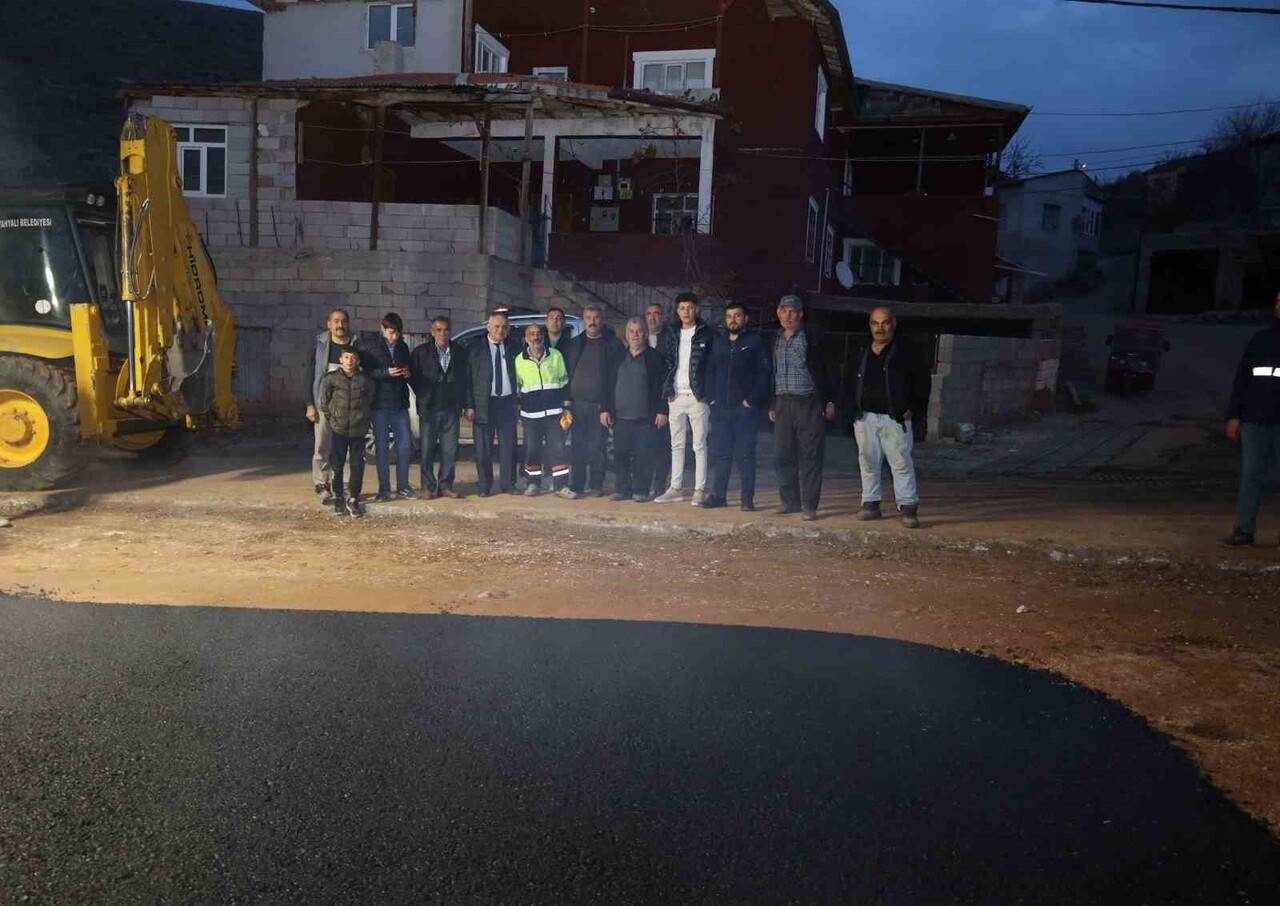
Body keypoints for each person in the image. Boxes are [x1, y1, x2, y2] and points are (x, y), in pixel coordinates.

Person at [847, 306, 931, 529]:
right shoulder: (862, 349)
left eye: (885, 323)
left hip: (895, 418)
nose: (880, 328)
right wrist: (851, 408)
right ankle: (870, 504)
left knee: (901, 463)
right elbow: (848, 379)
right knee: (867, 462)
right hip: (865, 417)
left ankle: (908, 508)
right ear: (870, 326)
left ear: (893, 324)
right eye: (875, 323)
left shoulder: (906, 350)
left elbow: (922, 382)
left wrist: (913, 408)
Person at [1219, 290, 1280, 547]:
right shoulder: (1260, 339)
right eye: (1278, 300)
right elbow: (1242, 379)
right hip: (1255, 419)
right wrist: (1234, 416)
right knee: (1251, 475)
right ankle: (1244, 530)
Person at [768, 294, 836, 521]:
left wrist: (829, 400)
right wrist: (772, 402)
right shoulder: (776, 337)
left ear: (801, 314)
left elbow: (828, 368)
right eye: (784, 310)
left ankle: (809, 506)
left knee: (811, 455)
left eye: (793, 311)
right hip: (783, 403)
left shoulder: (812, 336)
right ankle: (790, 502)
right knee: (782, 455)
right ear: (778, 313)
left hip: (808, 402)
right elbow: (773, 373)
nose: (788, 315)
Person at [704, 301, 771, 511]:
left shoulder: (755, 341)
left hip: (745, 410)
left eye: (737, 316)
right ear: (725, 320)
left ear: (746, 319)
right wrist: (712, 399)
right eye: (729, 316)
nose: (733, 320)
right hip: (721, 409)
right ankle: (719, 496)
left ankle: (747, 500)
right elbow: (710, 371)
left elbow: (764, 374)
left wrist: (751, 400)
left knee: (745, 455)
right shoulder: (719, 342)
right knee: (721, 454)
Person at [655, 292, 714, 506]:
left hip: (698, 397)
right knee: (676, 444)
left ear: (696, 309)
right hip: (676, 396)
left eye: (690, 307)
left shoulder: (707, 333)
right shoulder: (670, 332)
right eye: (682, 308)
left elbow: (711, 365)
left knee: (699, 445)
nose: (686, 312)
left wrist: (707, 395)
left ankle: (699, 489)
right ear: (677, 311)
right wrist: (667, 391)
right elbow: (664, 364)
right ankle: (676, 487)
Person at [561, 303, 624, 499]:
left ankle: (596, 485)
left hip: (600, 406)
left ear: (602, 320)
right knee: (577, 447)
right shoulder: (575, 343)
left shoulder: (612, 345)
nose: (592, 322)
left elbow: (616, 380)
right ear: (583, 320)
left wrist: (608, 407)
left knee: (598, 447)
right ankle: (577, 485)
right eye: (588, 318)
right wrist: (567, 404)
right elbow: (566, 375)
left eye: (595, 318)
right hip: (577, 405)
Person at [611, 317, 669, 502]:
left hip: (646, 416)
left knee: (643, 456)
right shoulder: (618, 355)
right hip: (620, 416)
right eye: (631, 331)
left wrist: (662, 410)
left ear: (645, 334)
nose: (635, 335)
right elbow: (608, 385)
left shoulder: (654, 358)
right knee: (620, 455)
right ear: (626, 334)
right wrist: (606, 409)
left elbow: (663, 386)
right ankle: (622, 489)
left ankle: (641, 490)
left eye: (639, 331)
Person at [361, 312, 417, 502]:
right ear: (382, 328)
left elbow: (409, 367)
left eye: (397, 333)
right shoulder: (370, 346)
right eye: (391, 332)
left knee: (404, 446)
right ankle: (384, 489)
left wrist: (408, 372)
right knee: (382, 448)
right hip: (379, 404)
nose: (394, 337)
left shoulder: (402, 346)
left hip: (400, 403)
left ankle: (403, 486)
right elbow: (366, 372)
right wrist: (386, 373)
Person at [409, 315, 466, 500]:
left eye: (446, 330)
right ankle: (427, 486)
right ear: (432, 332)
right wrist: (424, 395)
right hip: (430, 408)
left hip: (451, 408)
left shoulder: (459, 351)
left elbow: (465, 378)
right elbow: (413, 378)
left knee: (450, 450)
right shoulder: (420, 352)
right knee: (427, 449)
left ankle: (446, 485)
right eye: (439, 330)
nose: (443, 333)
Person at [465, 310, 519, 496]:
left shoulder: (514, 347)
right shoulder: (475, 348)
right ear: (488, 327)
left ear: (509, 329)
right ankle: (484, 485)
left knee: (508, 446)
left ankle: (508, 483)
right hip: (483, 403)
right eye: (496, 326)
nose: (500, 330)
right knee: (483, 448)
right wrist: (469, 405)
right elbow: (468, 379)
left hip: (507, 403)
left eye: (504, 327)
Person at [514, 324, 571, 496]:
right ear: (526, 338)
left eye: (538, 334)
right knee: (532, 450)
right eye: (531, 334)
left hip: (554, 413)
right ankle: (533, 484)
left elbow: (564, 383)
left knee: (558, 450)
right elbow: (517, 388)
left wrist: (567, 408)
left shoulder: (556, 356)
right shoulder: (519, 360)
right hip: (531, 415)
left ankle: (561, 486)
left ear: (543, 336)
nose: (536, 337)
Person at [308, 308, 358, 501]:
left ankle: (344, 484)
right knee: (322, 447)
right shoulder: (320, 345)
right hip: (324, 407)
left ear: (348, 324)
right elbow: (310, 376)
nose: (340, 325)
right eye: (336, 321)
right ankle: (321, 483)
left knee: (344, 448)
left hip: (348, 408)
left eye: (343, 321)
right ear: (329, 323)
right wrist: (309, 404)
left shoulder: (356, 345)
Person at [318, 345, 371, 518]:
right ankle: (340, 496)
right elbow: (324, 401)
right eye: (346, 357)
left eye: (353, 358)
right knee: (337, 464)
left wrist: (363, 418)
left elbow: (369, 400)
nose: (350, 361)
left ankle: (353, 498)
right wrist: (333, 419)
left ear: (358, 361)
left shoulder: (364, 379)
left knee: (357, 465)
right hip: (339, 429)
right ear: (341, 360)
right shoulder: (332, 378)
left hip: (358, 430)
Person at [644, 301, 672, 494]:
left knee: (662, 446)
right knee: (643, 446)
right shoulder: (638, 339)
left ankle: (660, 483)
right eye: (649, 314)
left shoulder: (671, 340)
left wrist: (663, 407)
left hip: (662, 401)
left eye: (657, 313)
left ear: (662, 316)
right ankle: (645, 483)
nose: (653, 317)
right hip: (641, 403)